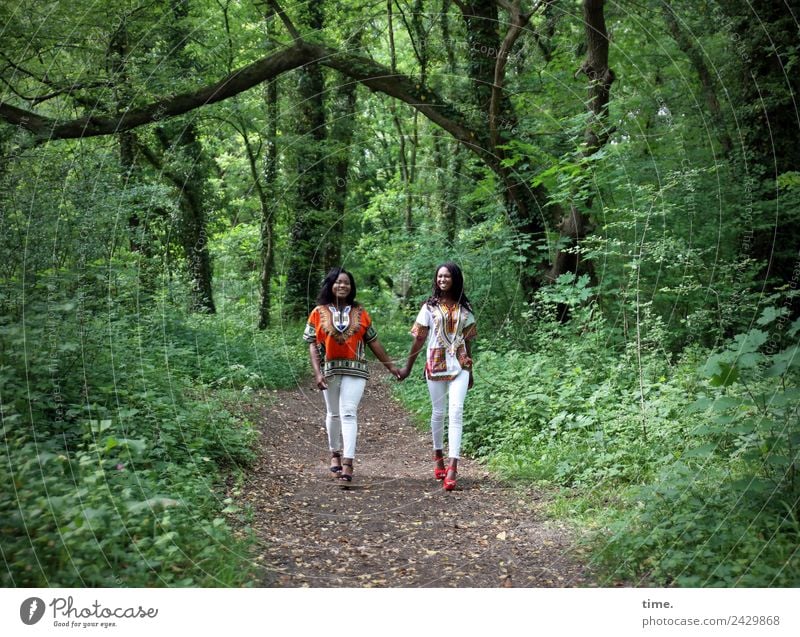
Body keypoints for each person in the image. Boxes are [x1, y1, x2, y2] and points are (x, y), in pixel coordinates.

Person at [303, 267, 400, 482]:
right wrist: (317, 373)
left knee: (348, 412)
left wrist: (392, 367)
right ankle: (334, 454)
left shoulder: (360, 312)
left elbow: (373, 341)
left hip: (356, 370)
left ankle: (348, 462)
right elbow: (311, 344)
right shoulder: (318, 312)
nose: (342, 286)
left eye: (346, 282)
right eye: (338, 282)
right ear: (330, 285)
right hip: (330, 369)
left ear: (351, 287)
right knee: (333, 413)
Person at [398, 262, 477, 491]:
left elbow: (468, 341)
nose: (442, 280)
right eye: (439, 276)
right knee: (438, 412)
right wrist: (408, 367)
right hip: (435, 363)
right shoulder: (429, 308)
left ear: (455, 279)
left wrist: (470, 370)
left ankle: (453, 467)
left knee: (456, 411)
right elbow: (419, 339)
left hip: (460, 366)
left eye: (447, 276)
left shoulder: (465, 309)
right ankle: (438, 456)